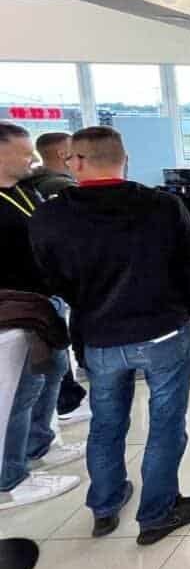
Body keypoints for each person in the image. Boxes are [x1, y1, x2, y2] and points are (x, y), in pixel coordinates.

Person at [29, 126, 190, 543]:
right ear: (124, 158)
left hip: (98, 335)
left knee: (107, 423)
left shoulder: (51, 216)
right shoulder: (162, 206)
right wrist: (183, 311)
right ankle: (157, 513)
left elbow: (51, 277)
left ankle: (106, 505)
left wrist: (88, 304)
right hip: (164, 333)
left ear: (74, 161)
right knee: (166, 424)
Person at [0, 122, 83, 510]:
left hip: (45, 300)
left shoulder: (24, 190)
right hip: (14, 309)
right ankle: (10, 476)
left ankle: (38, 445)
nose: (33, 158)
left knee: (51, 374)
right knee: (20, 389)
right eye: (23, 151)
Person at [20, 131, 90, 427]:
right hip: (39, 289)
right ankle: (66, 403)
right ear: (65, 153)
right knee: (51, 357)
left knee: (53, 356)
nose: (31, 159)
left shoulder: (28, 186)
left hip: (44, 286)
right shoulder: (59, 188)